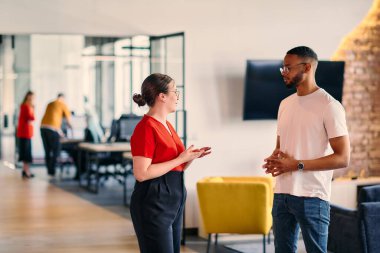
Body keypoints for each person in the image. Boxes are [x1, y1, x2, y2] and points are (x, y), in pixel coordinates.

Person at [262, 46, 350, 253]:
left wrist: (296, 164)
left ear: (307, 67)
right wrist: (276, 159)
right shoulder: (285, 104)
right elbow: (280, 146)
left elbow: (343, 158)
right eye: (283, 68)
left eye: (288, 68)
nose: (284, 72)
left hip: (312, 196)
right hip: (282, 193)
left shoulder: (330, 106)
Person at [130, 73, 211, 253]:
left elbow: (174, 165)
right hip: (153, 203)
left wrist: (189, 158)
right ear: (162, 96)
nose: (177, 97)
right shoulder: (145, 128)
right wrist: (180, 158)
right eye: (175, 91)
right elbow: (141, 173)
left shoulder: (167, 125)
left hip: (173, 201)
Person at [40, 93, 72, 176]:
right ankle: (52, 170)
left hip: (43, 127)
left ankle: (49, 169)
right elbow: (68, 120)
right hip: (52, 129)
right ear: (63, 98)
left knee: (47, 150)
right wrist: (72, 129)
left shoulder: (50, 103)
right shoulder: (62, 104)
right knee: (56, 149)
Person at [16, 91, 35, 179]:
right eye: (30, 97)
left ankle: (25, 170)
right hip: (25, 133)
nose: (31, 99)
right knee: (26, 153)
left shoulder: (28, 106)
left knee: (26, 152)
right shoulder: (25, 106)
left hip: (27, 132)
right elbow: (31, 118)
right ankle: (26, 171)